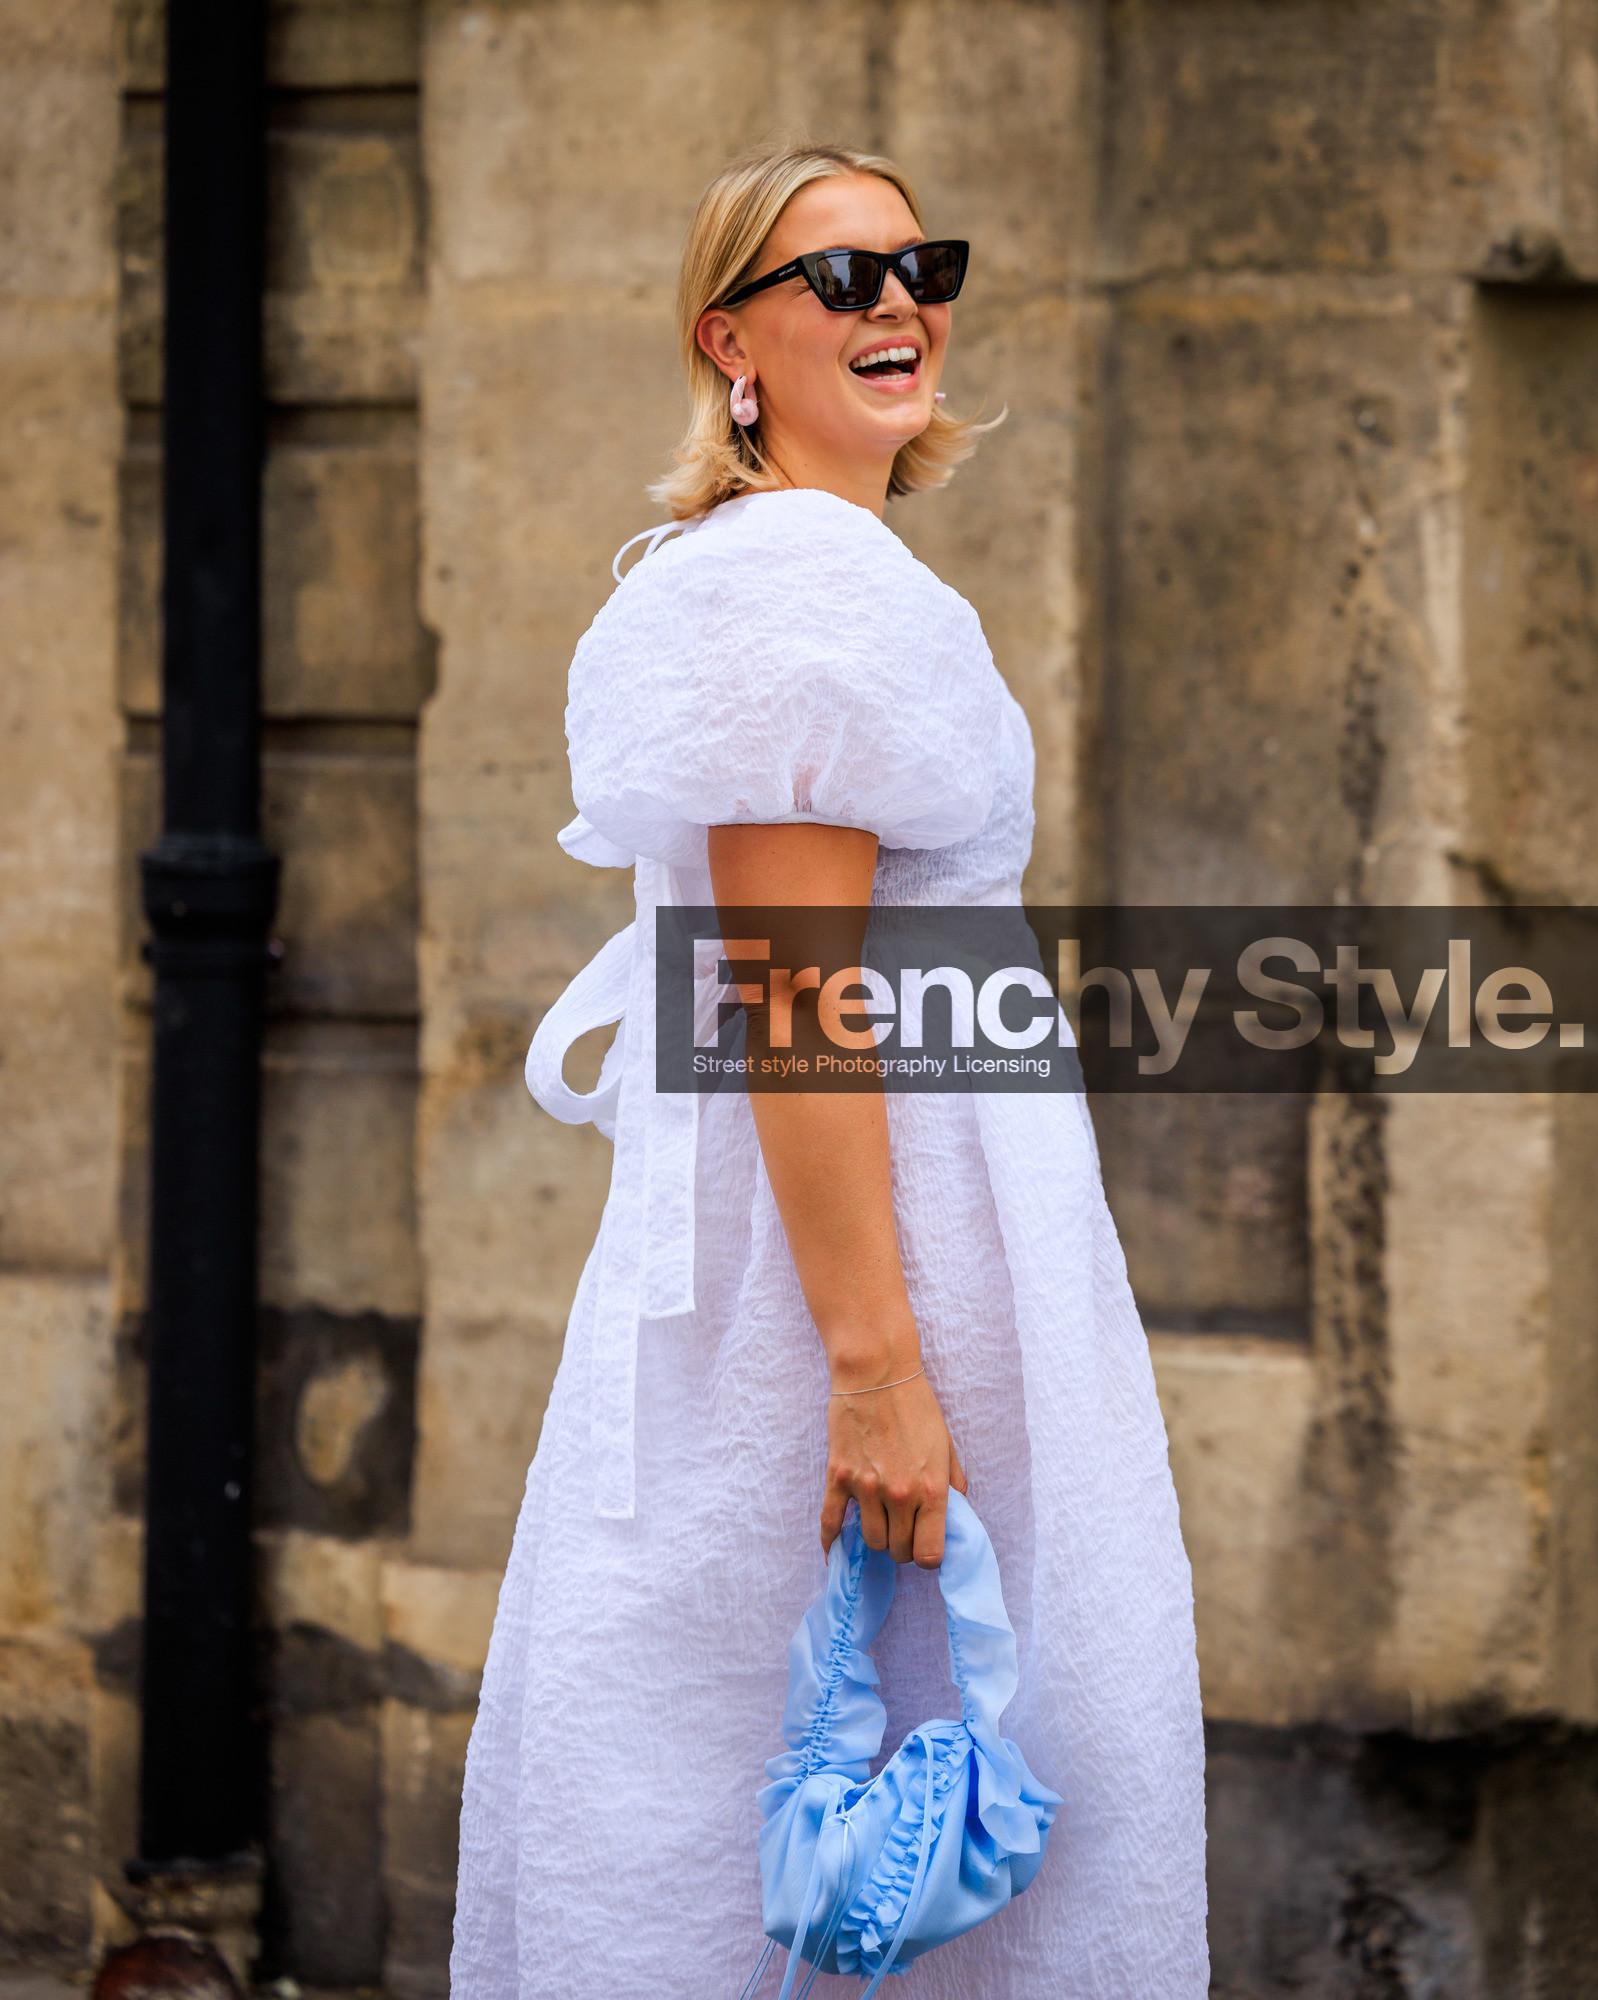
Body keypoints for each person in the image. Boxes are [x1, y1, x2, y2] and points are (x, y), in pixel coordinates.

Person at [450, 141, 1208, 1997]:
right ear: (732, 342)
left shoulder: (805, 566)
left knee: (801, 1728)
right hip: (882, 1264)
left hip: (873, 1232)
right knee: (875, 1728)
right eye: (837, 280)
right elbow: (790, 1000)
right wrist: (877, 1370)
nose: (896, 305)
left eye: (916, 264)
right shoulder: (801, 578)